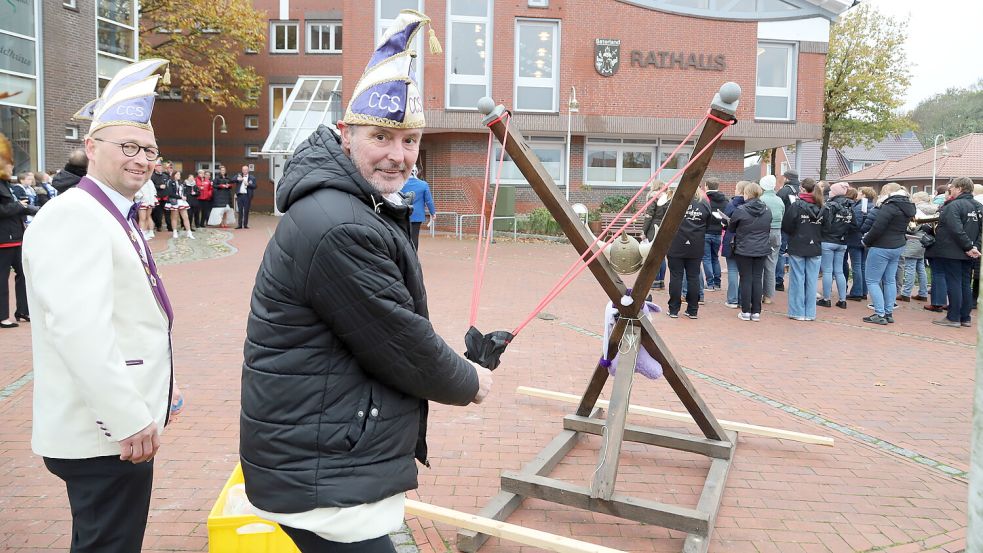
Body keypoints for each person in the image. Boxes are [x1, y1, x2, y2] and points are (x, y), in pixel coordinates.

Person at [239, 12, 492, 553]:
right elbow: (399, 339)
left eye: (409, 139)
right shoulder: (339, 223)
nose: (397, 155)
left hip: (325, 453)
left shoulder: (353, 206)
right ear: (344, 135)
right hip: (326, 471)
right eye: (381, 136)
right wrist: (470, 382)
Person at [21, 58, 183, 553]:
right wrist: (128, 416)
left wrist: (162, 387)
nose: (142, 159)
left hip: (116, 424)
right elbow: (79, 330)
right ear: (91, 148)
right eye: (129, 147)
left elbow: (128, 316)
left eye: (150, 151)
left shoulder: (107, 211)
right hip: (106, 432)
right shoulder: (75, 216)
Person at [925, 177, 982, 327]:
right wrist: (974, 247)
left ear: (959, 188)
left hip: (953, 251)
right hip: (969, 251)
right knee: (965, 283)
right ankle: (965, 317)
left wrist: (968, 247)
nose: (950, 190)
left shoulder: (953, 206)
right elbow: (980, 231)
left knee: (954, 283)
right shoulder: (978, 206)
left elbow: (956, 230)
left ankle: (953, 317)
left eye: (952, 187)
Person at [861, 183, 915, 325]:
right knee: (889, 279)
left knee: (872, 280)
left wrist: (866, 241)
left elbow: (877, 228)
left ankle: (879, 313)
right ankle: (888, 312)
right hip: (898, 245)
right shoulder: (908, 206)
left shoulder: (889, 206)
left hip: (881, 246)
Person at [0, 134, 38, 328]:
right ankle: (2, 316)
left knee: (24, 274)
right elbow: (6, 209)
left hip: (16, 236)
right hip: (3, 239)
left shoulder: (8, 185)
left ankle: (23, 310)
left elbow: (16, 206)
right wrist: (20, 207)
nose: (12, 167)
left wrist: (36, 210)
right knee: (2, 278)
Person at [727, 182, 772, 321]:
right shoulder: (767, 209)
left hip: (744, 248)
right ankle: (756, 312)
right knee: (757, 279)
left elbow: (731, 228)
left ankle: (746, 311)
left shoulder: (741, 209)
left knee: (746, 278)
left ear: (747, 193)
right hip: (762, 248)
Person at [782, 178, 823, 321]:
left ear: (803, 190)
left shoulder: (796, 206)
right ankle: (810, 313)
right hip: (815, 246)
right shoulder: (823, 206)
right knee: (812, 281)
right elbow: (827, 228)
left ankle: (797, 312)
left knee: (797, 279)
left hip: (798, 245)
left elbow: (786, 225)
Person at [666, 189, 711, 319]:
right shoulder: (704, 203)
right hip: (695, 244)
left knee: (676, 277)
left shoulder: (676, 203)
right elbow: (708, 223)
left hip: (676, 243)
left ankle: (673, 309)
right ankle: (693, 310)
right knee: (693, 277)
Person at [818, 182, 854, 309]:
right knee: (839, 271)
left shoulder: (829, 206)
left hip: (828, 240)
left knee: (827, 270)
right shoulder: (850, 206)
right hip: (842, 242)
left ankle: (826, 299)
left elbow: (822, 222)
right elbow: (854, 224)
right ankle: (842, 300)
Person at [759, 175, 785, 304]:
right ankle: (768, 296)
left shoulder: (761, 199)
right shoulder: (779, 200)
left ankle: (757, 293)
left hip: (762, 232)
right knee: (771, 264)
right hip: (776, 232)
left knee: (758, 264)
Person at [721, 180, 747, 308]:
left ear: (740, 190)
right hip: (746, 240)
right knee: (744, 272)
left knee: (732, 270)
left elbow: (724, 222)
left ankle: (732, 299)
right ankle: (743, 299)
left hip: (731, 238)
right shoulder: (751, 204)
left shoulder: (732, 204)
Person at [774, 169, 801, 291]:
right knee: (796, 253)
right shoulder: (802, 190)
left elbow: (777, 207)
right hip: (800, 227)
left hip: (784, 227)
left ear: (787, 178)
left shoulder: (784, 191)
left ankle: (778, 281)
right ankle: (796, 281)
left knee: (780, 252)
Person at [641, 181, 671, 289]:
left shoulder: (653, 197)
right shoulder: (668, 198)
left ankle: (655, 281)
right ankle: (661, 281)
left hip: (654, 227)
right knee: (662, 256)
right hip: (665, 227)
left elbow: (649, 216)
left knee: (654, 255)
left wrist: (644, 231)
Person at [400, 166, 436, 249]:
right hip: (417, 215)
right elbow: (429, 201)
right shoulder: (423, 184)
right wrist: (432, 213)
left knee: (402, 236)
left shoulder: (400, 184)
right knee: (414, 237)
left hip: (402, 214)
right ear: (416, 172)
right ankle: (414, 257)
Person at [702, 177, 727, 291]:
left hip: (706, 231)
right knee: (715, 258)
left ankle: (710, 283)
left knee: (706, 258)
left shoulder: (704, 199)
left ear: (706, 186)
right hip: (718, 232)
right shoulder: (724, 199)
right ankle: (717, 282)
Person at [165, 170, 194, 239]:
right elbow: (170, 193)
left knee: (185, 217)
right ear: (174, 175)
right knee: (174, 217)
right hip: (174, 201)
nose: (179, 176)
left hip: (182, 201)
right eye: (177, 174)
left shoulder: (181, 182)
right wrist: (180, 197)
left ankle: (189, 232)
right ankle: (174, 232)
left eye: (179, 174)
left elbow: (184, 191)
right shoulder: (170, 182)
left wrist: (184, 196)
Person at [150, 161, 171, 232]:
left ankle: (166, 226)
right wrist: (159, 186)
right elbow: (151, 186)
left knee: (165, 213)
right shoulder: (152, 176)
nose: (160, 168)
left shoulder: (165, 176)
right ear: (155, 168)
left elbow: (168, 185)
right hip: (157, 197)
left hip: (165, 197)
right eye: (158, 167)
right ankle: (158, 226)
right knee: (157, 213)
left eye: (161, 167)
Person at [234, 164, 256, 229]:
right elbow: (232, 180)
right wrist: (237, 179)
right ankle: (239, 225)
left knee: (246, 210)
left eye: (246, 170)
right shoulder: (239, 175)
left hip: (247, 196)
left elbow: (255, 186)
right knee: (240, 210)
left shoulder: (252, 177)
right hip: (240, 195)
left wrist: (248, 184)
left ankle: (245, 224)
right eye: (243, 170)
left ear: (248, 170)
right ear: (242, 170)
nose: (244, 171)